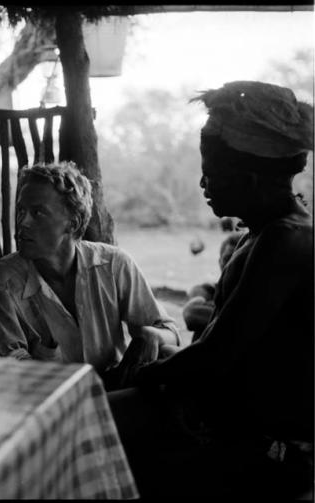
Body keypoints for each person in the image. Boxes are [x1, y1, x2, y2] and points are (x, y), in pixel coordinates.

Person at [109, 81, 314, 499]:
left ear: (252, 177)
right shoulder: (259, 235)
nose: (204, 183)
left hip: (269, 451)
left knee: (98, 430)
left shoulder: (285, 241)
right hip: (234, 426)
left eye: (214, 173)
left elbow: (215, 356)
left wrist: (149, 375)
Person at [0, 162, 180, 389]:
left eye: (37, 213)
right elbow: (11, 371)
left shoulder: (113, 265)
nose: (22, 223)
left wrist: (150, 336)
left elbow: (170, 332)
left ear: (72, 223)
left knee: (168, 354)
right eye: (21, 211)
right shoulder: (4, 282)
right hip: (50, 403)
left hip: (117, 391)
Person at [183, 231, 244, 342]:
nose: (231, 265)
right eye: (227, 259)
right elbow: (191, 313)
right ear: (219, 262)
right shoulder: (209, 289)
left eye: (237, 261)